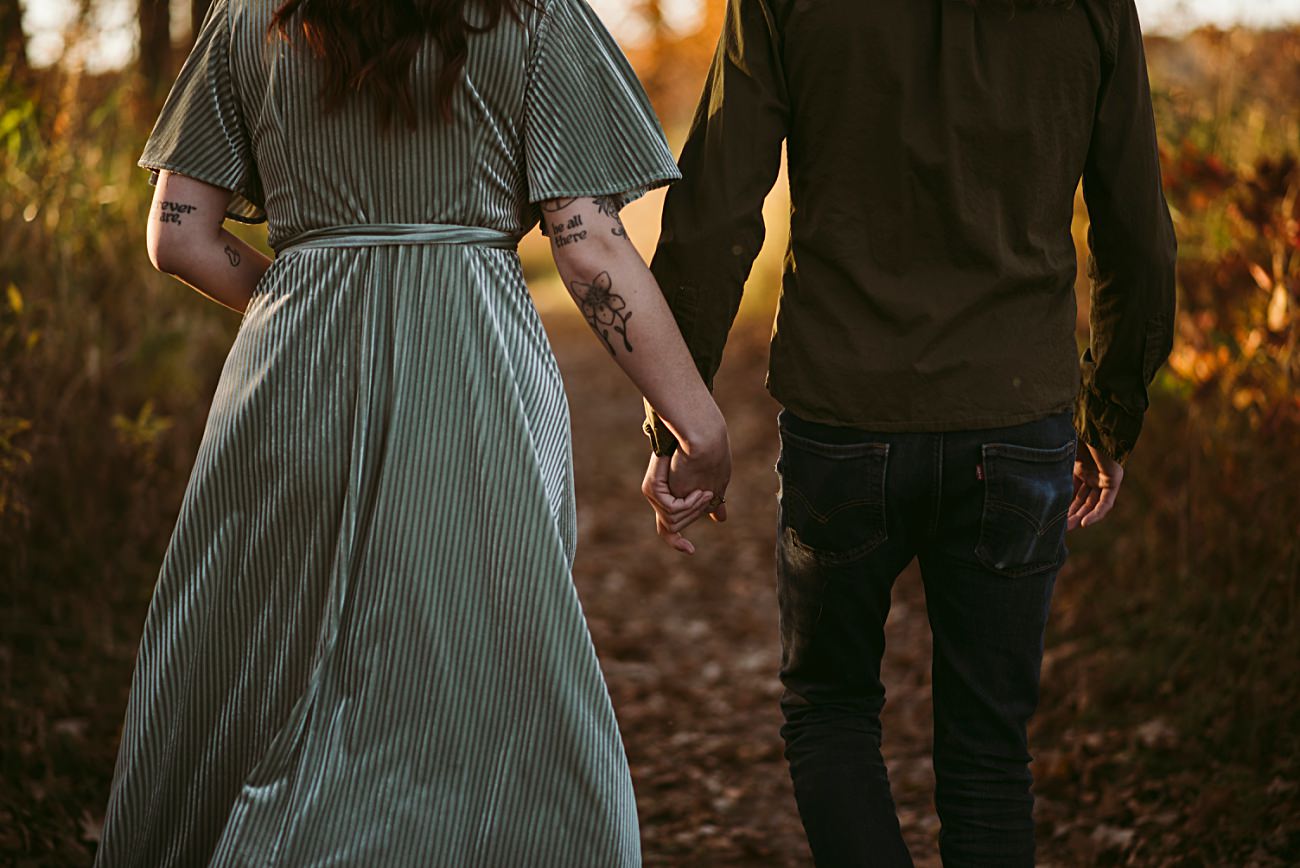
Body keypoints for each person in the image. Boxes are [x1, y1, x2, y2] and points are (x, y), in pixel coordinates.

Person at [95, 0, 730, 864]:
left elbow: (180, 236)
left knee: (269, 655)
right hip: (472, 375)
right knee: (475, 656)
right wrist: (697, 424)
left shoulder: (252, 17)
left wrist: (309, 298)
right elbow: (589, 250)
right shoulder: (533, 16)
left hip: (290, 379)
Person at [641, 0, 1177, 864]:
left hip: (845, 421)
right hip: (1015, 420)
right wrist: (1112, 410)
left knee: (830, 711)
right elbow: (1138, 232)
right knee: (991, 755)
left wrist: (674, 421)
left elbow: (714, 211)